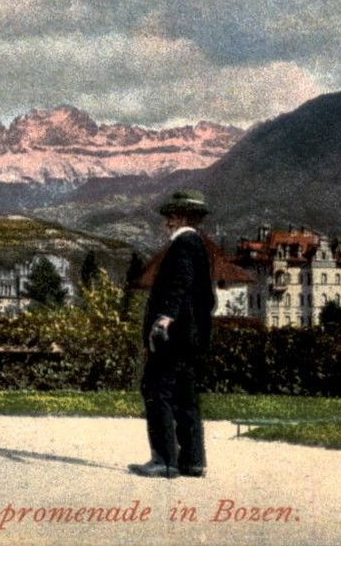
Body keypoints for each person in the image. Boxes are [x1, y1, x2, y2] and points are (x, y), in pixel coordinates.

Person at [129, 189, 215, 479]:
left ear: (180, 217)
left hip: (174, 338)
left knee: (156, 390)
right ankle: (193, 462)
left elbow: (179, 283)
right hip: (191, 339)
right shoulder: (199, 246)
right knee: (185, 396)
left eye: (170, 216)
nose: (166, 222)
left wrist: (164, 318)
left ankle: (165, 459)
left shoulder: (182, 245)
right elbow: (207, 300)